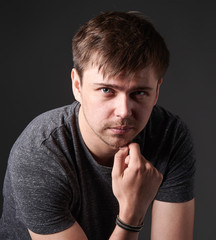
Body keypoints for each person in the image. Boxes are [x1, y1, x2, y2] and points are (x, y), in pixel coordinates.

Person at [0, 11, 195, 240]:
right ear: (77, 86)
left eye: (139, 93)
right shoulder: (40, 152)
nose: (124, 111)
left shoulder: (169, 136)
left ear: (156, 92)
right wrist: (132, 215)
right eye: (106, 90)